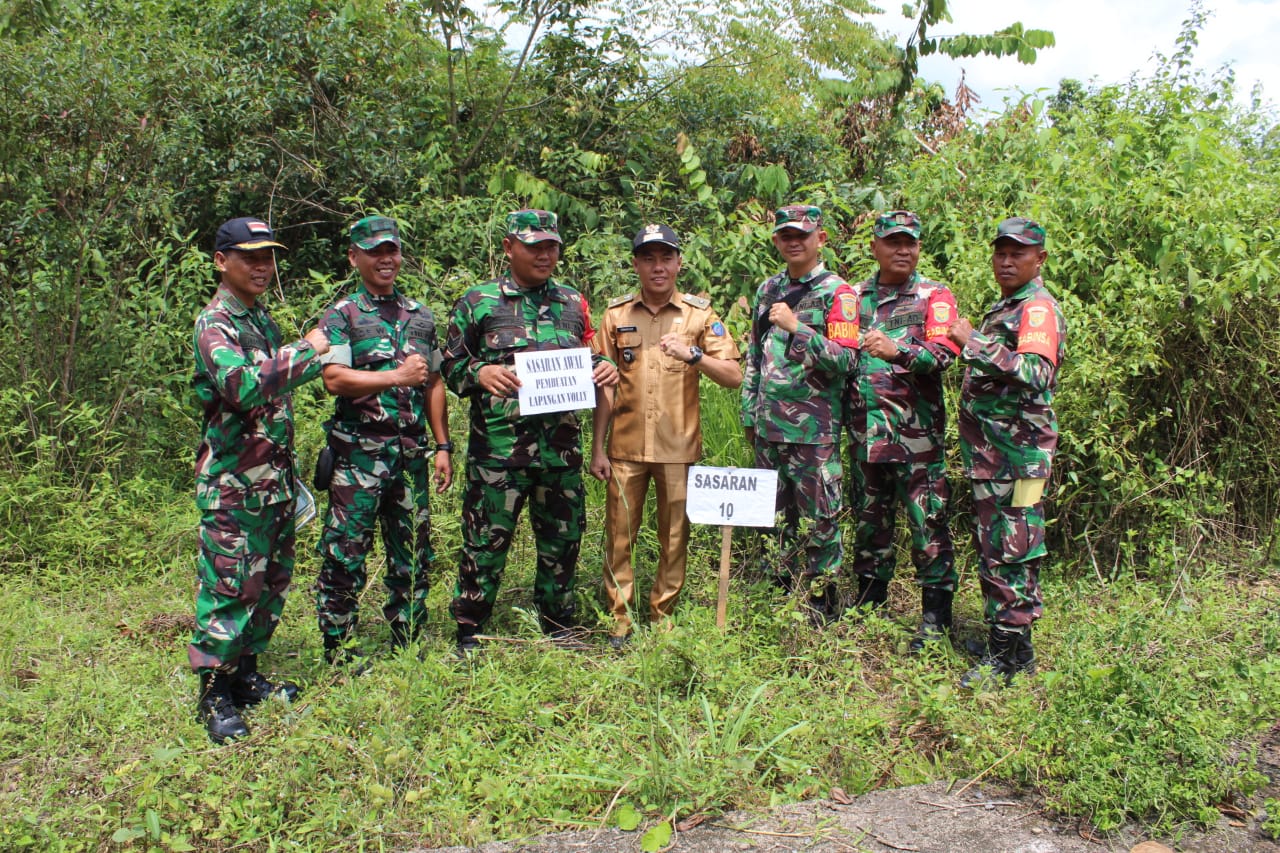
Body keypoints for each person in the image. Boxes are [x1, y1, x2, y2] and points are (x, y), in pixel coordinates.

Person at [442, 209, 618, 655]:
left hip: (560, 454)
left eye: (552, 246)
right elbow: (448, 365)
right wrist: (479, 373)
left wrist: (605, 368)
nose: (545, 254)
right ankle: (470, 628)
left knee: (563, 540)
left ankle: (558, 623)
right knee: (484, 542)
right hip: (498, 453)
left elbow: (591, 356)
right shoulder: (478, 301)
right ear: (508, 248)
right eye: (534, 245)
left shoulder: (572, 303)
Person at [189, 216, 330, 743]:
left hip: (273, 482)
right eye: (249, 257)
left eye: (268, 256)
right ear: (222, 262)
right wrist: (307, 350)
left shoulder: (260, 321)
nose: (262, 266)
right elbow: (243, 388)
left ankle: (246, 675)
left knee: (268, 585)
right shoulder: (216, 324)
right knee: (229, 585)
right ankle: (214, 694)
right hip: (233, 486)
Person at [589, 224, 743, 648]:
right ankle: (619, 618)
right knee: (619, 534)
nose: (658, 267)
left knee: (674, 536)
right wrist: (597, 447)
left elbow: (733, 375)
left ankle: (663, 615)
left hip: (677, 447)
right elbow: (604, 384)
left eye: (666, 257)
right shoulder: (615, 315)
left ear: (678, 263)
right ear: (636, 264)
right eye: (648, 258)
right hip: (624, 447)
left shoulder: (699, 316)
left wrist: (693, 354)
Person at [313, 216, 453, 665]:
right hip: (358, 454)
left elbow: (432, 382)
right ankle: (340, 648)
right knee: (346, 551)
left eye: (390, 250)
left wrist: (443, 446)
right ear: (355, 257)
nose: (385, 259)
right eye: (374, 252)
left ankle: (408, 640)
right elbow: (333, 379)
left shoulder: (421, 316)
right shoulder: (342, 316)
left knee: (412, 550)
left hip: (410, 455)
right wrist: (394, 376)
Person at [946, 217, 1065, 688]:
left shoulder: (1036, 309)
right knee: (1000, 548)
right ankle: (1017, 651)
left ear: (1040, 259)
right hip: (995, 456)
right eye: (1001, 252)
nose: (1007, 260)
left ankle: (1004, 660)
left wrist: (969, 341)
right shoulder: (1009, 306)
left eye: (1019, 253)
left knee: (1011, 550)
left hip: (1018, 457)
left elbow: (1036, 373)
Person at [844, 211, 961, 651]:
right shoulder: (852, 297)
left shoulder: (935, 296)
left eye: (910, 242)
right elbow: (840, 356)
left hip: (917, 440)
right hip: (865, 435)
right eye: (893, 242)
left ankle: (935, 622)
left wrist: (899, 351)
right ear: (874, 247)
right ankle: (870, 606)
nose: (903, 250)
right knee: (869, 524)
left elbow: (945, 353)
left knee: (927, 524)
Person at [740, 204, 859, 623]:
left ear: (820, 240)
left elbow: (847, 361)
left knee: (820, 520)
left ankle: (821, 604)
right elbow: (754, 354)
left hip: (813, 431)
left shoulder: (838, 293)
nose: (794, 242)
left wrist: (799, 328)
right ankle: (777, 595)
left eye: (803, 235)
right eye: (786, 235)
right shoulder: (767, 290)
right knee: (773, 518)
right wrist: (749, 411)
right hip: (769, 428)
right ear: (776, 241)